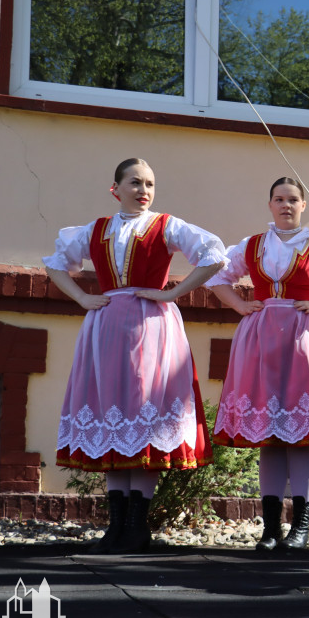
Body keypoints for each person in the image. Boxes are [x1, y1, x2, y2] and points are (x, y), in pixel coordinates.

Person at [44, 158, 227, 554]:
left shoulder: (166, 225)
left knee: (142, 409)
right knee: (113, 413)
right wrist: (82, 298)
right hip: (106, 327)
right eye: (135, 182)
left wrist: (171, 294)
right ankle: (116, 526)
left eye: (150, 183)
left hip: (152, 326)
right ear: (116, 188)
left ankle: (136, 525)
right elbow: (55, 264)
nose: (144, 190)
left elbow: (214, 255)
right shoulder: (95, 230)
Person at [208, 177, 309, 552]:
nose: (286, 205)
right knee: (269, 438)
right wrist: (239, 305)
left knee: (302, 437)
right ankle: (270, 529)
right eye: (279, 199)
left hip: (307, 343)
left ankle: (300, 528)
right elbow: (217, 276)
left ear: (303, 206)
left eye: (293, 200)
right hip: (261, 342)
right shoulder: (252, 246)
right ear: (270, 204)